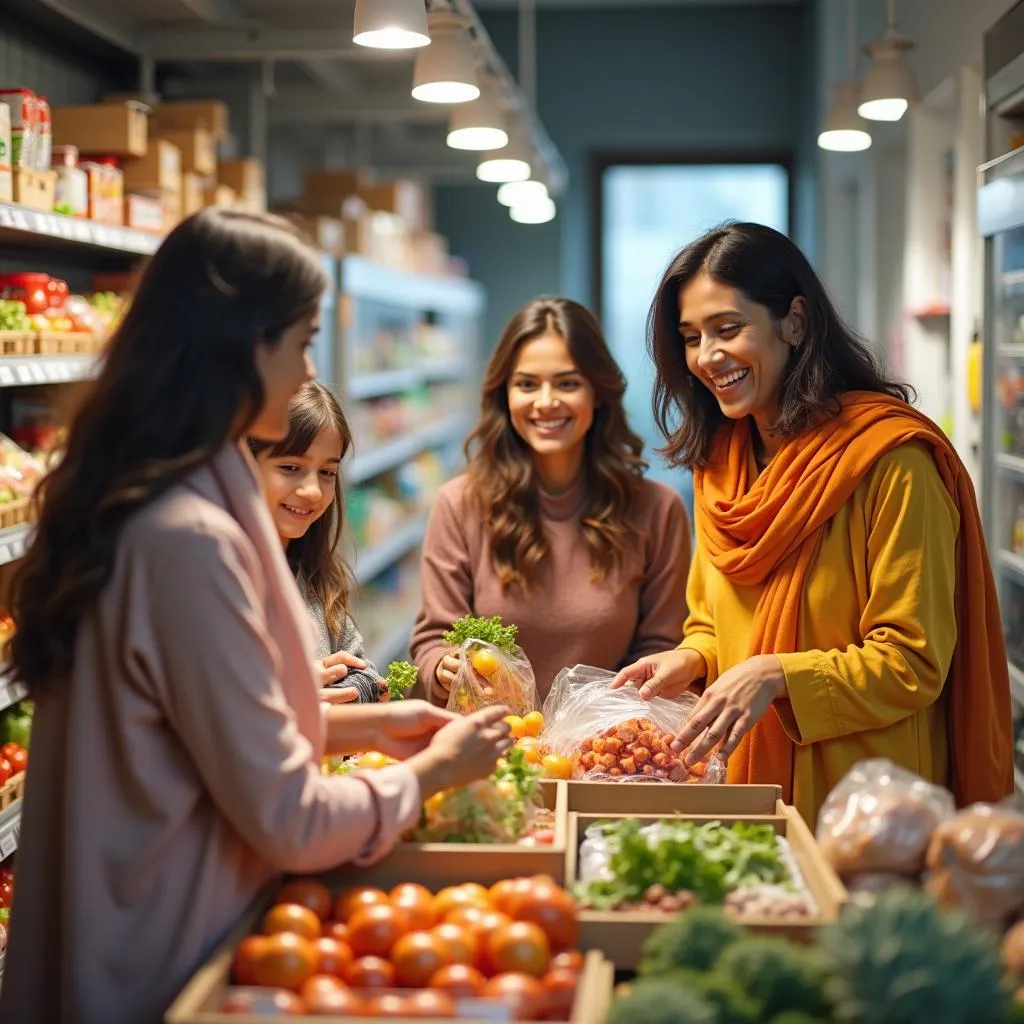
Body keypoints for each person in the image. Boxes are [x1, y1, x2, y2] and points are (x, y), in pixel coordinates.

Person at [0, 209, 511, 1024]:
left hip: (127, 916)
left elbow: (189, 735)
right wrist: (431, 772)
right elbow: (291, 820)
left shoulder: (147, 495)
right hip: (163, 956)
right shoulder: (189, 540)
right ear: (245, 347)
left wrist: (368, 730)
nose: (310, 364)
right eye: (303, 340)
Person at [613, 221, 1014, 826]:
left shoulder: (892, 461)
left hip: (867, 804)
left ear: (794, 321)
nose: (707, 356)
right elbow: (710, 621)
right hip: (744, 784)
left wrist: (778, 674)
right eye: (691, 337)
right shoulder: (721, 467)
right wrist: (693, 659)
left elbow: (914, 662)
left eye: (728, 328)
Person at [410, 296, 690, 706]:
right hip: (489, 746)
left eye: (567, 383)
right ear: (504, 395)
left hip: (602, 749)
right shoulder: (460, 504)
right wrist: (444, 665)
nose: (545, 402)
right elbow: (434, 639)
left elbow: (660, 648)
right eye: (526, 384)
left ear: (597, 392)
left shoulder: (658, 509)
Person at [249, 381, 387, 704]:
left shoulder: (316, 578)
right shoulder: (219, 580)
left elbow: (368, 676)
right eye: (290, 467)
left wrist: (344, 691)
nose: (312, 490)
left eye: (327, 472)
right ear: (246, 465)